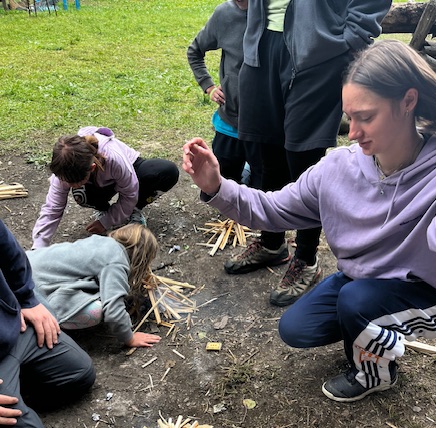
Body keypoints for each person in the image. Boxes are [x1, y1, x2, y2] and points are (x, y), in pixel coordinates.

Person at [182, 39, 436, 402]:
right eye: (350, 117)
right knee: (297, 328)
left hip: (432, 293)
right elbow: (273, 209)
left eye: (366, 117)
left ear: (408, 101)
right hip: (367, 279)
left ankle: (374, 374)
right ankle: (373, 326)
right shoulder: (338, 168)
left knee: (356, 302)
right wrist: (216, 186)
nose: (352, 132)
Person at [225, 0, 392, 307]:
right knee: (266, 152)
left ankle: (306, 257)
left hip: (318, 52)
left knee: (303, 158)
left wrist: (348, 38)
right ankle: (272, 242)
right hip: (261, 46)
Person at [0, 219, 95, 428]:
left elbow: (7, 248)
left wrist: (26, 298)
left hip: (12, 329)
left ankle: (15, 394)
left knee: (80, 374)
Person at [32, 126, 179, 249]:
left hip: (131, 171)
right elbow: (53, 208)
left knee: (167, 171)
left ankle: (134, 209)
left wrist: (106, 222)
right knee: (81, 195)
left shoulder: (115, 159)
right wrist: (38, 246)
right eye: (67, 183)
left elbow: (130, 194)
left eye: (74, 183)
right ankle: (103, 208)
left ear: (92, 168)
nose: (70, 187)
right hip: (99, 180)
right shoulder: (64, 170)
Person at [27, 225, 161, 349]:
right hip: (34, 289)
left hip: (25, 265)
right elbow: (113, 310)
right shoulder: (116, 261)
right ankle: (52, 324)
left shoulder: (100, 241)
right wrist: (129, 338)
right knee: (96, 310)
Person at [187, 0, 262, 188]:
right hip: (229, 123)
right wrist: (209, 86)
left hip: (264, 129)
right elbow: (195, 51)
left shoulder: (275, 14)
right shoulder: (224, 14)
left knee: (262, 189)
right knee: (221, 186)